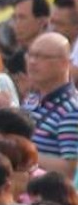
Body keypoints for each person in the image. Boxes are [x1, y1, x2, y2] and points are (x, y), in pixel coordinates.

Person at [24, 33, 78, 179]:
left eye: (42, 57)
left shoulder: (72, 109)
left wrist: (22, 152)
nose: (32, 62)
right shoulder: (32, 99)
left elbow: (70, 170)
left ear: (65, 63)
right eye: (31, 55)